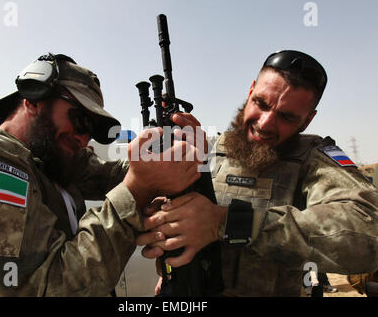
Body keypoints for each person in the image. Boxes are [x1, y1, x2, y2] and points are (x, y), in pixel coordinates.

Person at [0, 53, 204, 296]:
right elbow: (49, 286)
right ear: (33, 98)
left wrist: (168, 153)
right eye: (80, 119)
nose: (83, 137)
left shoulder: (50, 158)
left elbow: (113, 174)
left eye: (92, 129)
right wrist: (137, 191)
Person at [137, 50, 378, 296]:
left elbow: (369, 231)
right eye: (261, 103)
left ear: (307, 121)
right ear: (250, 91)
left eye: (286, 116)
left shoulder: (312, 158)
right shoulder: (210, 148)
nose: (264, 124)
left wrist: (225, 221)